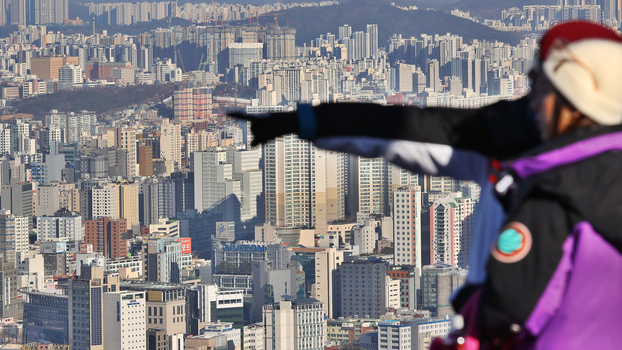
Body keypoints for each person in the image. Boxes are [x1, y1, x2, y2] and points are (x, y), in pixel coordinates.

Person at [230, 21, 622, 292]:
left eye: (543, 81)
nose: (531, 91)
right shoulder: (505, 140)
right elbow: (412, 130)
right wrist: (307, 120)